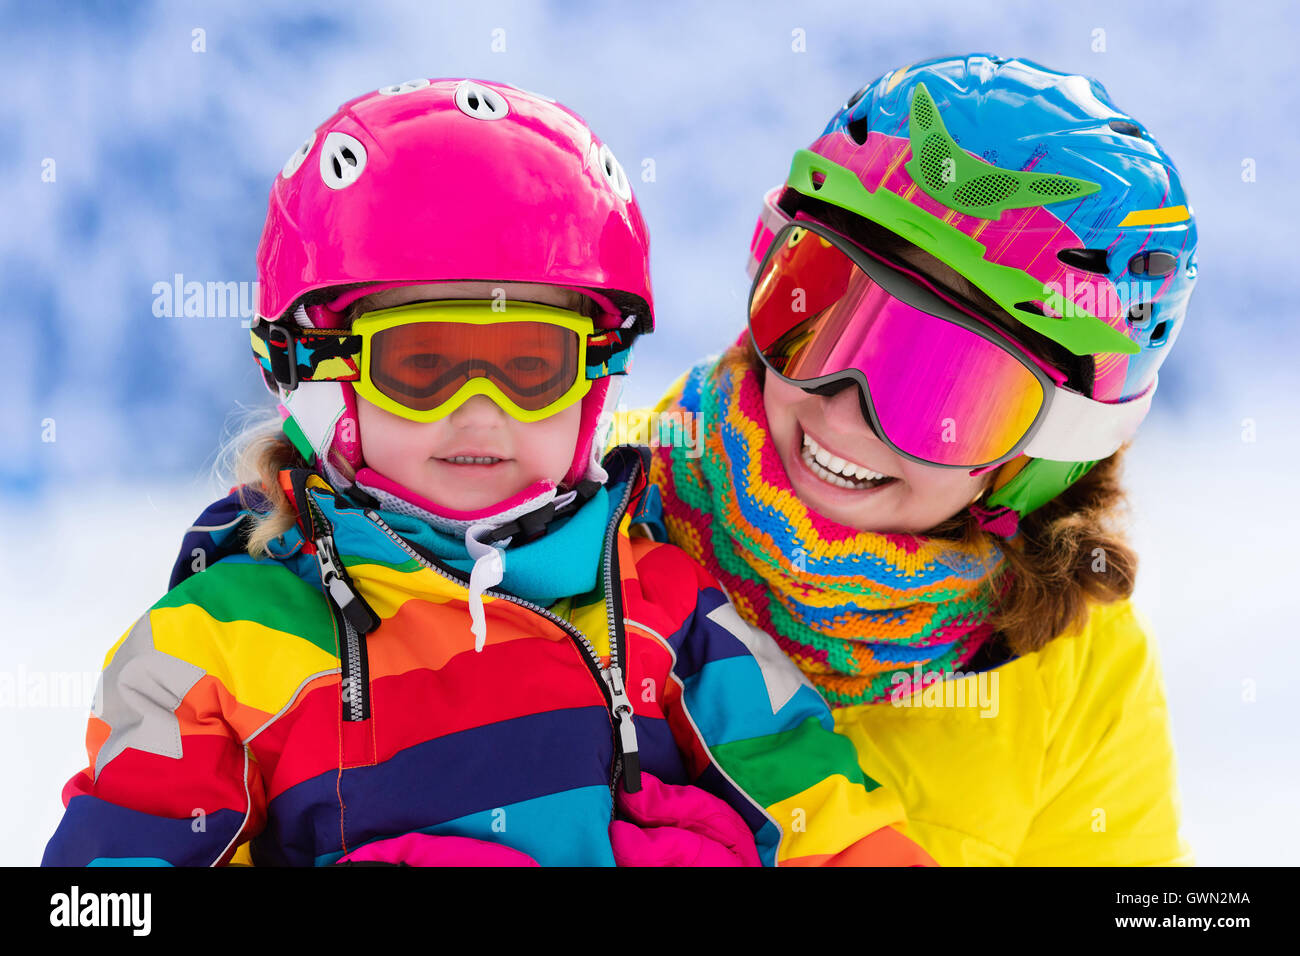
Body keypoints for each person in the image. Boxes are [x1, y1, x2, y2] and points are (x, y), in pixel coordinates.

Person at [41, 78, 932, 867]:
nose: (481, 410)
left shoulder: (664, 606)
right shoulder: (214, 650)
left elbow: (825, 816)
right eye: (422, 364)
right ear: (319, 380)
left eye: (531, 365)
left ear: (591, 389)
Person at [640, 54, 1197, 865]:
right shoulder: (588, 524)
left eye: (944, 395)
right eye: (819, 313)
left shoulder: (1076, 675)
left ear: (1049, 453)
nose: (841, 411)